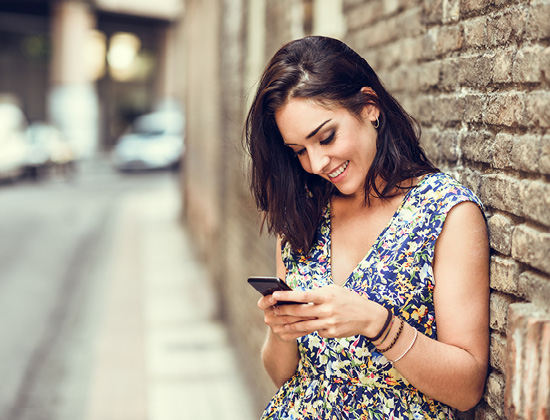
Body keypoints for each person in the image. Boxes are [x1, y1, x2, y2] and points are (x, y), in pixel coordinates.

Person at [244, 36, 489, 419]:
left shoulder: (445, 212)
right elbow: (283, 377)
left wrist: (376, 322)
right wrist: (281, 329)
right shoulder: (304, 214)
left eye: (326, 137)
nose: (317, 163)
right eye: (299, 151)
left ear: (369, 107)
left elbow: (467, 387)